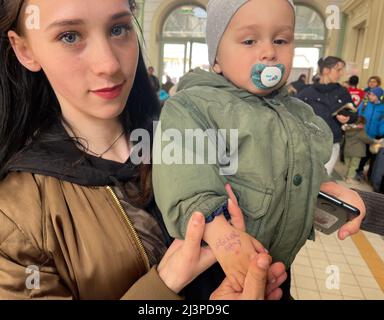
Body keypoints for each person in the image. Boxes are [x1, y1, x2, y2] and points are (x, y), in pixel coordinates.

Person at [0, 0, 288, 300]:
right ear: (24, 49)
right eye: (70, 36)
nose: (110, 65)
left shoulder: (194, 135)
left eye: (118, 29)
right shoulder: (10, 219)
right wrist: (164, 284)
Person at [152, 0, 366, 299]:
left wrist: (329, 187)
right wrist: (219, 233)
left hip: (276, 269)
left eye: (281, 40)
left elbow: (303, 167)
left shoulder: (299, 112)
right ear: (216, 58)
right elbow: (184, 178)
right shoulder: (192, 106)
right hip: (211, 269)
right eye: (249, 40)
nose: (269, 51)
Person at [297, 56, 355, 176]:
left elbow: (353, 114)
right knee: (305, 175)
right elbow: (293, 113)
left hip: (332, 143)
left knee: (323, 178)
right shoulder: (307, 92)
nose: (341, 74)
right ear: (326, 70)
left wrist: (348, 118)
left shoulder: (342, 92)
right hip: (308, 143)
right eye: (338, 70)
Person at [355, 87, 384, 181]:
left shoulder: (382, 108)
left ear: (378, 97)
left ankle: (364, 173)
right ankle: (356, 171)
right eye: (370, 94)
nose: (370, 96)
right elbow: (358, 115)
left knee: (369, 156)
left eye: (373, 95)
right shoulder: (365, 104)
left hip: (374, 136)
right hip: (361, 133)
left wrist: (381, 133)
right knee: (359, 153)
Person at [341, 116, 380, 184]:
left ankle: (346, 176)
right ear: (361, 124)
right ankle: (349, 179)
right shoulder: (360, 131)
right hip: (357, 152)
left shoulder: (348, 130)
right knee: (354, 166)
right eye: (364, 124)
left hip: (347, 150)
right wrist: (375, 141)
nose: (364, 126)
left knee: (349, 165)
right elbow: (367, 139)